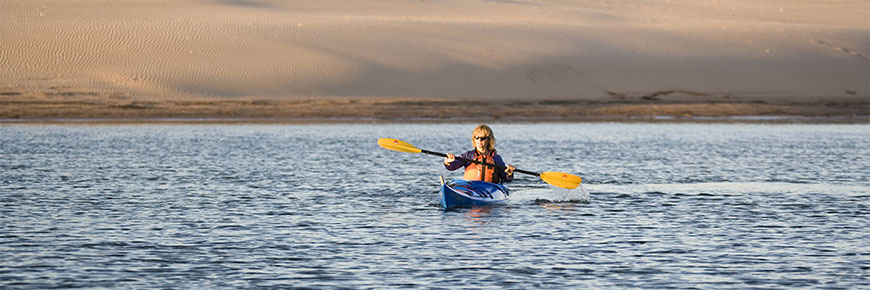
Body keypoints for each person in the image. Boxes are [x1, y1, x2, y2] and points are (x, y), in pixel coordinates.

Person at [444, 124, 515, 184]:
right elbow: (452, 167)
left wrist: (509, 173)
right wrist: (447, 162)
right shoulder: (468, 156)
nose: (479, 140)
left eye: (483, 138)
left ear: (489, 140)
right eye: (477, 138)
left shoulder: (496, 158)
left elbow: (506, 179)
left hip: (490, 189)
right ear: (473, 139)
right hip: (471, 188)